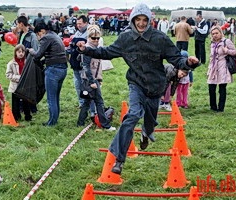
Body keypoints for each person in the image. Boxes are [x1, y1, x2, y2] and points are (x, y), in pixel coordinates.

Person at [77, 3, 199, 175]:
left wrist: (188, 63)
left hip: (156, 86)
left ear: (149, 20)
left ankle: (146, 133)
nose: (141, 23)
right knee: (132, 115)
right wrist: (87, 50)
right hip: (136, 84)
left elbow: (176, 59)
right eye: (138, 20)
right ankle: (119, 158)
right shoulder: (126, 39)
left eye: (144, 20)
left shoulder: (160, 39)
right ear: (132, 20)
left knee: (150, 123)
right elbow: (106, 52)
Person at [77, 25, 116, 131]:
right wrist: (92, 81)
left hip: (93, 79)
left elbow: (97, 66)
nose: (96, 40)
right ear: (88, 38)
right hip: (90, 80)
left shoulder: (95, 48)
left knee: (87, 102)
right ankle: (106, 125)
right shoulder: (88, 49)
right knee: (99, 102)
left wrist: (100, 79)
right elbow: (86, 66)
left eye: (98, 38)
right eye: (93, 38)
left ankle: (80, 123)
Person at [28, 23, 68, 126]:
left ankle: (51, 123)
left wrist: (31, 51)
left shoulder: (46, 37)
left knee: (51, 97)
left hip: (53, 70)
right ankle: (54, 120)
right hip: (63, 68)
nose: (38, 37)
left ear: (41, 31)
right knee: (56, 96)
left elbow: (37, 55)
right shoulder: (55, 35)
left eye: (38, 34)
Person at [207, 26, 236, 112]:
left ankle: (221, 108)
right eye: (213, 34)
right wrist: (209, 68)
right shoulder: (212, 43)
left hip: (223, 67)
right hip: (213, 67)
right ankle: (213, 107)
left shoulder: (226, 41)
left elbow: (235, 51)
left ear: (220, 33)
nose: (215, 35)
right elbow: (211, 56)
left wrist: (227, 51)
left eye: (216, 33)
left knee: (222, 88)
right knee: (211, 87)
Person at [6, 44, 32, 121]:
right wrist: (18, 78)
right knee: (15, 103)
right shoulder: (11, 63)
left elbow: (30, 72)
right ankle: (16, 117)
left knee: (26, 102)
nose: (21, 53)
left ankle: (28, 116)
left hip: (25, 85)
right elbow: (8, 74)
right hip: (15, 86)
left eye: (23, 52)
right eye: (19, 52)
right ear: (15, 53)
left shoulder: (27, 62)